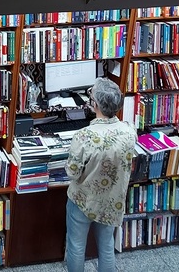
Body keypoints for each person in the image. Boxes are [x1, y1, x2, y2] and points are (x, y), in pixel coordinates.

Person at [64, 78, 136, 272]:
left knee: (77, 247)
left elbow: (72, 172)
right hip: (112, 201)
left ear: (94, 104)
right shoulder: (129, 131)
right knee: (106, 247)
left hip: (83, 201)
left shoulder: (84, 136)